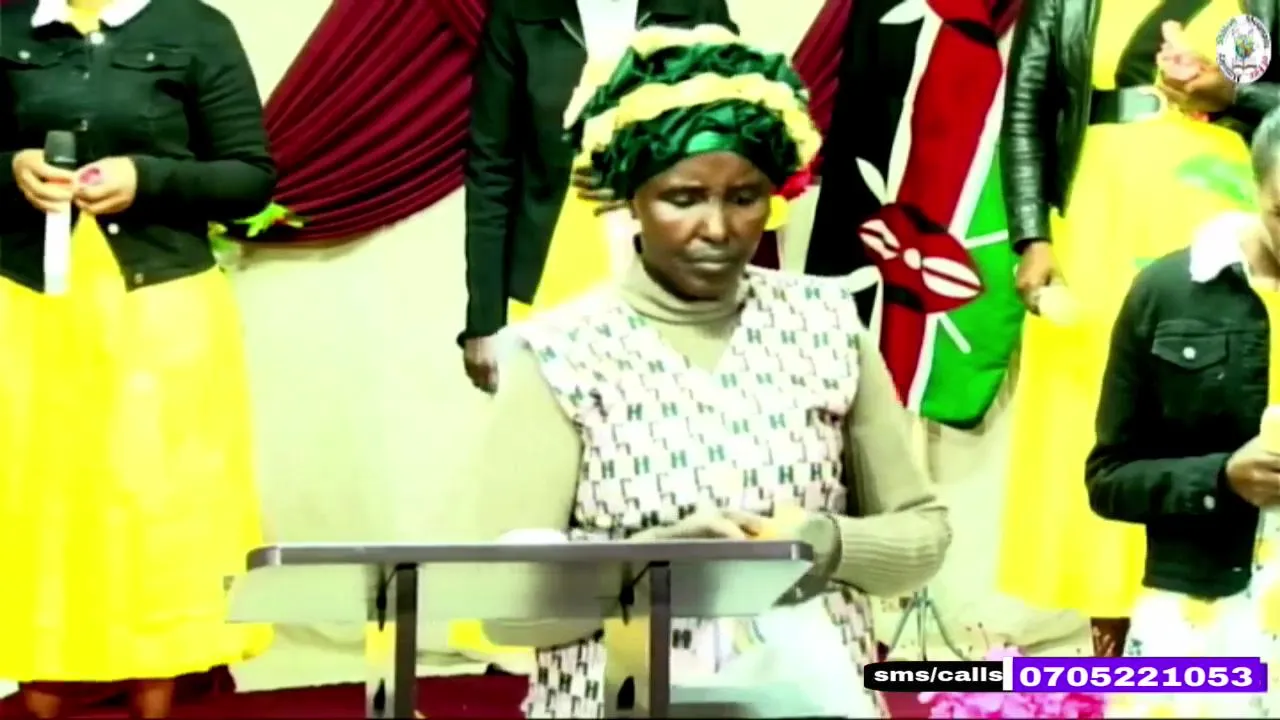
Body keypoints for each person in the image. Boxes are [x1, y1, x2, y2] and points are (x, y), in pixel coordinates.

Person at [467, 24, 952, 717]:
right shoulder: (559, 352)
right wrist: (645, 563)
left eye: (744, 197)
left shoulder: (826, 324)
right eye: (684, 197)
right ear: (630, 195)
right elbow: (505, 611)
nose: (718, 228)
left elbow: (922, 533)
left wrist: (825, 544)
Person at [0, 0, 273, 716]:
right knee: (35, 500)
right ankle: (38, 683)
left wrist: (147, 178)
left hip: (163, 308)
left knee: (158, 501)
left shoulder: (197, 29)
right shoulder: (5, 27)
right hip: (27, 306)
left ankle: (158, 688)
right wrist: (12, 168)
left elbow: (250, 178)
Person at [999, 0, 1280, 656]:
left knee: (1213, 414)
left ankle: (1226, 627)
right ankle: (1112, 643)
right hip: (1098, 220)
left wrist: (1231, 93)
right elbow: (1026, 109)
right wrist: (1031, 237)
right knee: (1099, 420)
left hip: (1223, 211)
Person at [1084, 110, 1280, 718]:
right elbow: (1108, 479)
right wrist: (1221, 477)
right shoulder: (1168, 292)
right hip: (1201, 607)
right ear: (1257, 188)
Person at [460, 0, 735, 394]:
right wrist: (484, 320)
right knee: (553, 428)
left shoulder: (696, 7)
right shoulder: (519, 13)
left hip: (675, 281)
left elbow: (735, 139)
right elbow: (490, 171)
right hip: (552, 284)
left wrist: (651, 176)